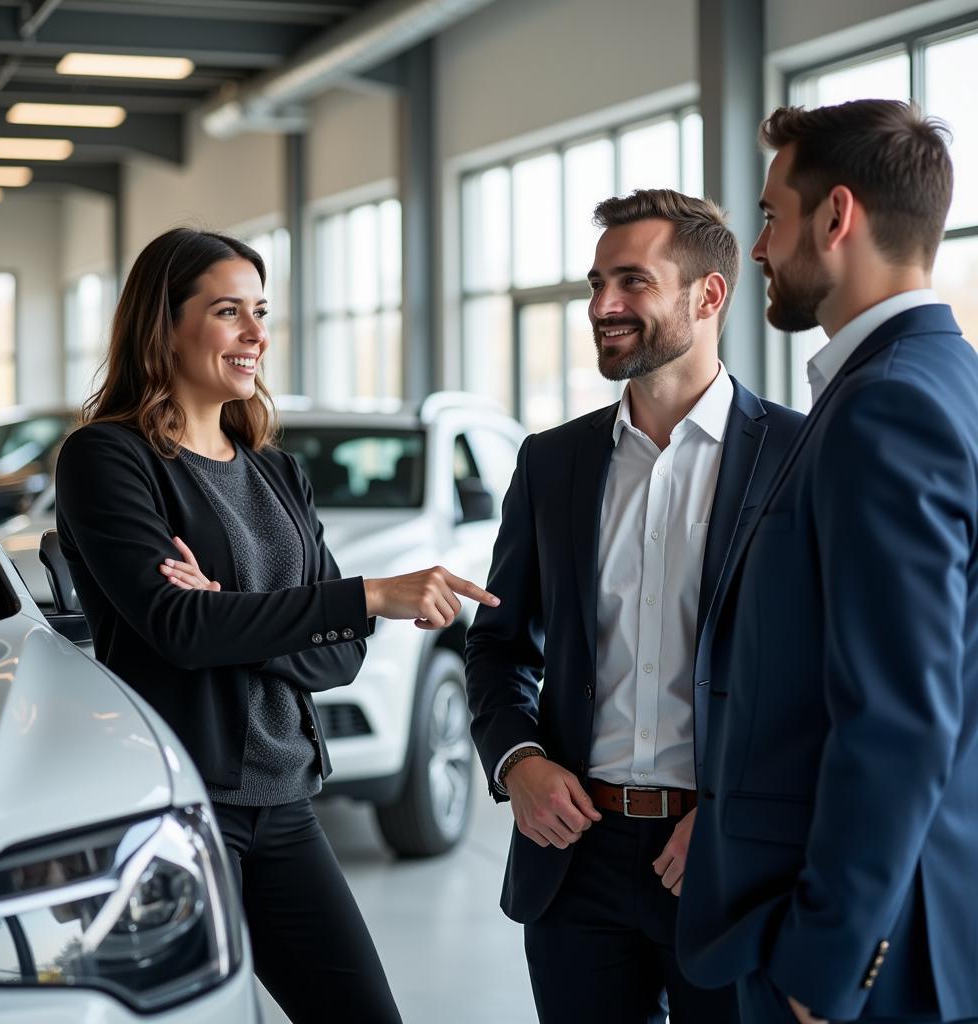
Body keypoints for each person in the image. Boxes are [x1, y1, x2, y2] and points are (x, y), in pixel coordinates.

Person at [55, 227, 498, 1024]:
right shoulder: (109, 459)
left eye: (261, 312)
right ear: (165, 324)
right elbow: (182, 630)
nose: (258, 335)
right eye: (230, 312)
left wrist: (229, 612)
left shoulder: (273, 469)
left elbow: (341, 661)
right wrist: (348, 599)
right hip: (179, 807)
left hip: (286, 802)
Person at [464, 189, 804, 1024]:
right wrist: (520, 762)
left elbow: (823, 678)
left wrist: (735, 816)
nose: (602, 308)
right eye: (594, 285)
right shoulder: (552, 463)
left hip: (727, 858)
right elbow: (500, 645)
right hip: (574, 858)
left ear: (708, 295)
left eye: (631, 283)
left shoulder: (802, 455)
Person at [676, 100, 978, 1024]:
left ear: (836, 217)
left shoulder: (886, 407)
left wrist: (829, 959)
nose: (759, 248)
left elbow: (898, 716)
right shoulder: (941, 377)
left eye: (771, 216)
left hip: (871, 955)